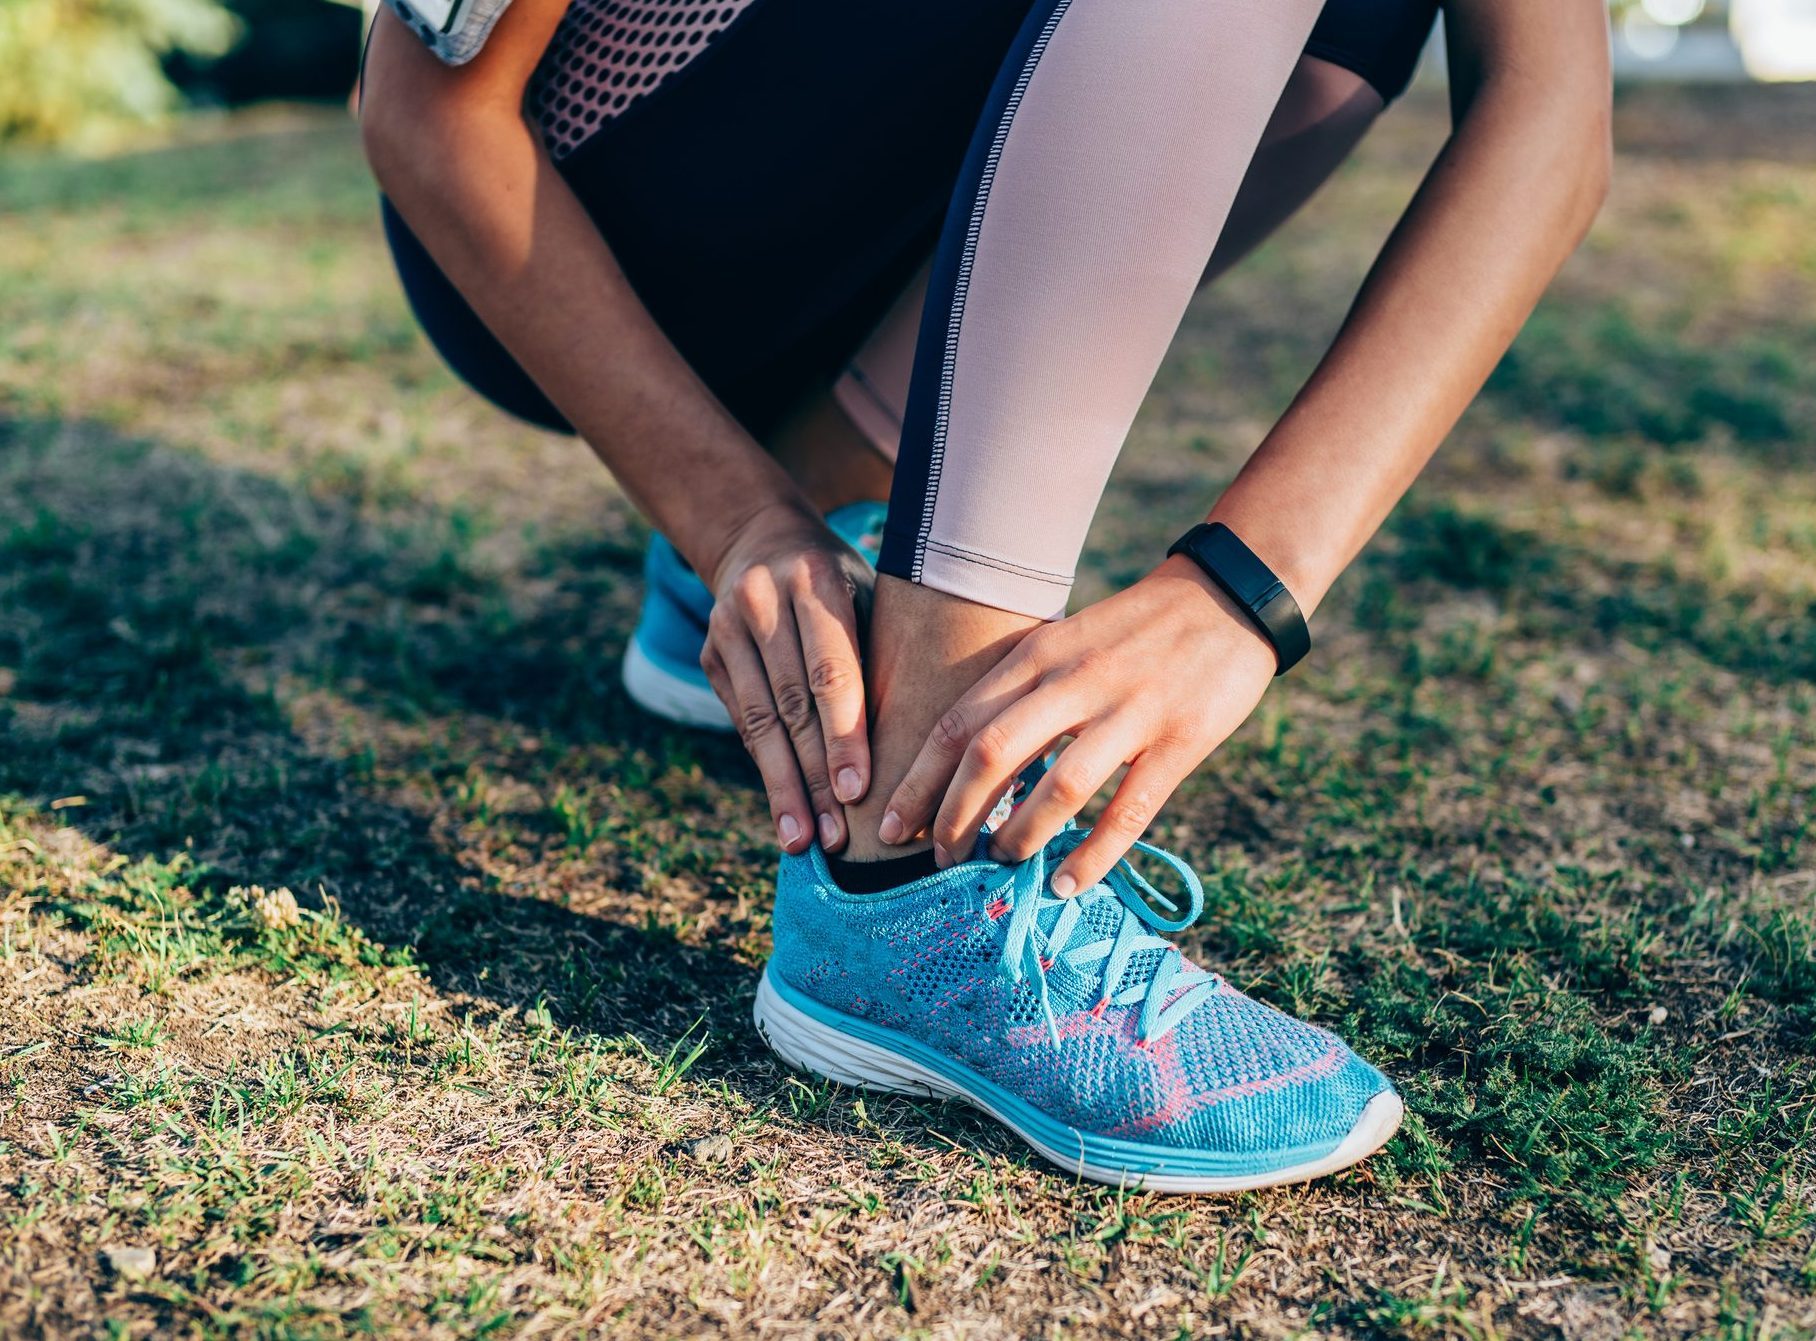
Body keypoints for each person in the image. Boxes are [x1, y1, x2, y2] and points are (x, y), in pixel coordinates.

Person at [361, 0, 1611, 1191]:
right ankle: (907, 866)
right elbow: (428, 110)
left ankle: (826, 535)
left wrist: (1240, 590)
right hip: (583, 197)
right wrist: (725, 515)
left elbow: (1549, 112)